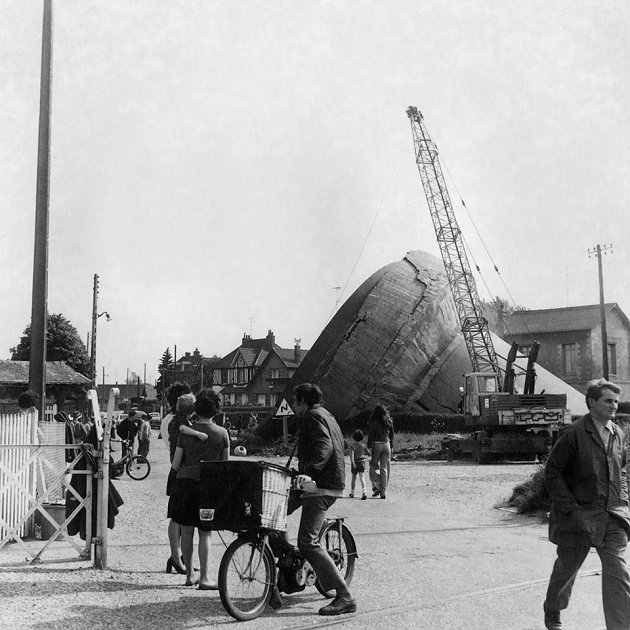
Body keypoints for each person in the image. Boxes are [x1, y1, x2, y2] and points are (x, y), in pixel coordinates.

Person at [543, 378, 630, 630]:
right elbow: (552, 472)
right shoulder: (573, 434)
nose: (614, 405)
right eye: (607, 400)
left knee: (618, 573)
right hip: (578, 516)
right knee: (566, 569)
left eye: (616, 400)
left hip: (612, 516)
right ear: (592, 402)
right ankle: (553, 608)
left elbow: (621, 471)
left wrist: (623, 501)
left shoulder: (618, 433)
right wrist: (571, 508)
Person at [289, 383, 356, 616]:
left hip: (321, 485)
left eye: (295, 402)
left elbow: (325, 446)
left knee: (307, 542)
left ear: (304, 401)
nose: (293, 407)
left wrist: (310, 471)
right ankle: (287, 566)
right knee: (276, 511)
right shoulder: (326, 414)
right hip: (327, 481)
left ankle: (345, 596)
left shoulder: (312, 416)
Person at [168, 389, 229, 589]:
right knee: (205, 532)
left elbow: (176, 465)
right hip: (207, 488)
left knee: (186, 531)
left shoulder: (186, 431)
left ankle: (189, 575)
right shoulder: (222, 434)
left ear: (196, 409)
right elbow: (224, 466)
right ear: (216, 410)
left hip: (185, 485)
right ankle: (204, 577)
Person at [367, 404, 394, 499]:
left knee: (373, 466)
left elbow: (371, 436)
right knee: (384, 468)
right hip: (387, 444)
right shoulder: (389, 421)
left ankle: (377, 483)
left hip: (377, 444)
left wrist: (369, 446)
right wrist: (392, 446)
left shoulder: (373, 422)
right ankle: (383, 492)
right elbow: (392, 434)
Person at [348, 429, 370, 500]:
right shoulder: (363, 445)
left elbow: (351, 455)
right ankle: (364, 492)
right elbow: (369, 453)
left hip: (355, 463)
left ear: (354, 437)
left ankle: (352, 492)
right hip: (362, 463)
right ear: (362, 437)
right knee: (362, 478)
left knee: (353, 478)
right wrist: (368, 456)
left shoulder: (352, 445)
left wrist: (352, 462)